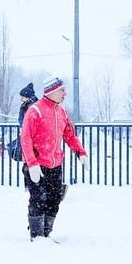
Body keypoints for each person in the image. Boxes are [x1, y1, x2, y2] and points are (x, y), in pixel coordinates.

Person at [19, 75, 86, 240]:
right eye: (62, 90)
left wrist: (81, 152)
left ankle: (46, 233)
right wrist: (32, 164)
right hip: (37, 165)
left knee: (54, 199)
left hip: (55, 164)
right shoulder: (35, 110)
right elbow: (25, 138)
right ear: (53, 91)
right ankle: (36, 235)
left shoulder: (61, 111)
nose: (65, 94)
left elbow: (69, 135)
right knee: (38, 199)